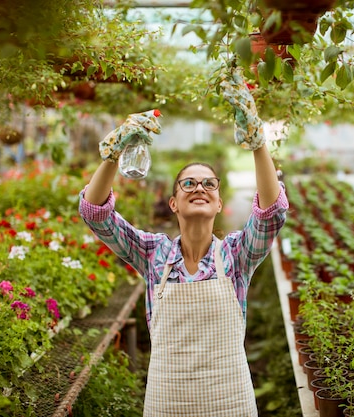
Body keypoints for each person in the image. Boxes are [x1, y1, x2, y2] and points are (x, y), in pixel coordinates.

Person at [78, 68, 289, 417]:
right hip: (167, 402)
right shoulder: (152, 254)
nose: (199, 188)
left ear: (220, 204)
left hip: (230, 403)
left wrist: (258, 140)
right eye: (188, 184)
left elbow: (271, 214)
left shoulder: (236, 256)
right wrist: (113, 153)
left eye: (209, 184)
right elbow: (95, 214)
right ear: (173, 202)